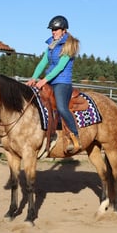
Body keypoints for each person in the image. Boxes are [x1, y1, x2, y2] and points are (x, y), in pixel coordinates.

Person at [26, 15, 81, 153]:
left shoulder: (70, 44)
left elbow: (60, 67)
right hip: (50, 80)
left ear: (64, 30)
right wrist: (34, 77)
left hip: (62, 82)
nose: (53, 32)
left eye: (56, 29)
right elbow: (43, 62)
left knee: (62, 108)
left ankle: (75, 135)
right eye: (52, 29)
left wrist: (44, 80)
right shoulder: (51, 44)